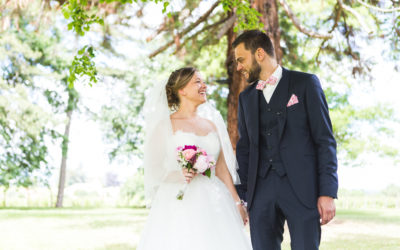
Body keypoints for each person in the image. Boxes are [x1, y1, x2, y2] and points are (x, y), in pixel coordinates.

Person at [233, 30, 338, 250]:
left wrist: (327, 192)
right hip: (260, 193)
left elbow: (324, 140)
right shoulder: (246, 98)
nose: (239, 67)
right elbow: (245, 150)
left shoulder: (306, 84)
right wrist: (244, 198)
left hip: (302, 189)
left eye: (241, 60)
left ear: (259, 54)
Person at [137, 67, 252, 250]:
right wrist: (179, 174)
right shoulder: (165, 126)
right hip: (178, 201)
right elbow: (154, 170)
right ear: (181, 90)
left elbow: (221, 169)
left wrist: (237, 202)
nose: (204, 86)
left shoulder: (211, 125)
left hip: (214, 200)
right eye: (198, 82)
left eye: (203, 81)